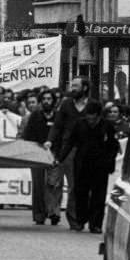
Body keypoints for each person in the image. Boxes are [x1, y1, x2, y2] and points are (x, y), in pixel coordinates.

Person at [57, 100, 119, 234]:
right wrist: (60, 158)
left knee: (99, 195)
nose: (90, 121)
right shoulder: (79, 124)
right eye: (88, 117)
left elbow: (113, 146)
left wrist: (110, 163)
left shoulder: (107, 126)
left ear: (98, 116)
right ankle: (80, 220)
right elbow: (70, 143)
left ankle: (95, 224)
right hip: (82, 164)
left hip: (100, 165)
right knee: (81, 193)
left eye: (93, 118)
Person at [46, 77, 93, 231]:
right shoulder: (66, 104)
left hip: (87, 150)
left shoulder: (92, 105)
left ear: (85, 88)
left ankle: (83, 215)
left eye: (76, 86)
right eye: (71, 85)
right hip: (69, 150)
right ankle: (75, 220)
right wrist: (50, 141)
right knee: (73, 185)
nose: (72, 88)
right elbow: (57, 126)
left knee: (83, 185)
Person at [22, 89, 58, 225]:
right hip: (37, 153)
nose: (47, 101)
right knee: (38, 184)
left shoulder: (58, 116)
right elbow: (27, 136)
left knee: (54, 183)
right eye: (44, 99)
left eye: (49, 99)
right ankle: (39, 214)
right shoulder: (35, 116)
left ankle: (54, 212)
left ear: (54, 101)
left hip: (54, 153)